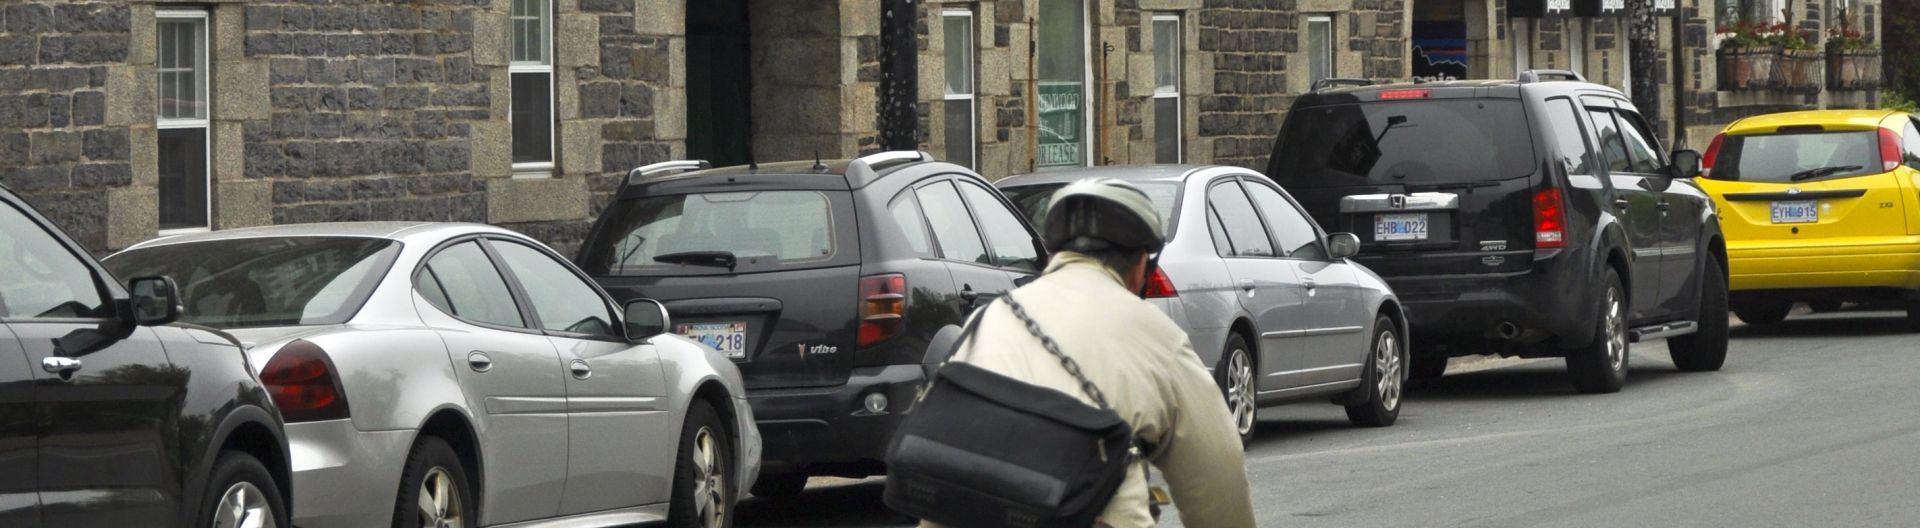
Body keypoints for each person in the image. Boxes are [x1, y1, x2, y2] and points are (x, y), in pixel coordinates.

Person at [923, 178, 1256, 527]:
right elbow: (1218, 475)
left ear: (1053, 256)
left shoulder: (987, 319)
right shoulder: (1158, 338)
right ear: (1142, 264)